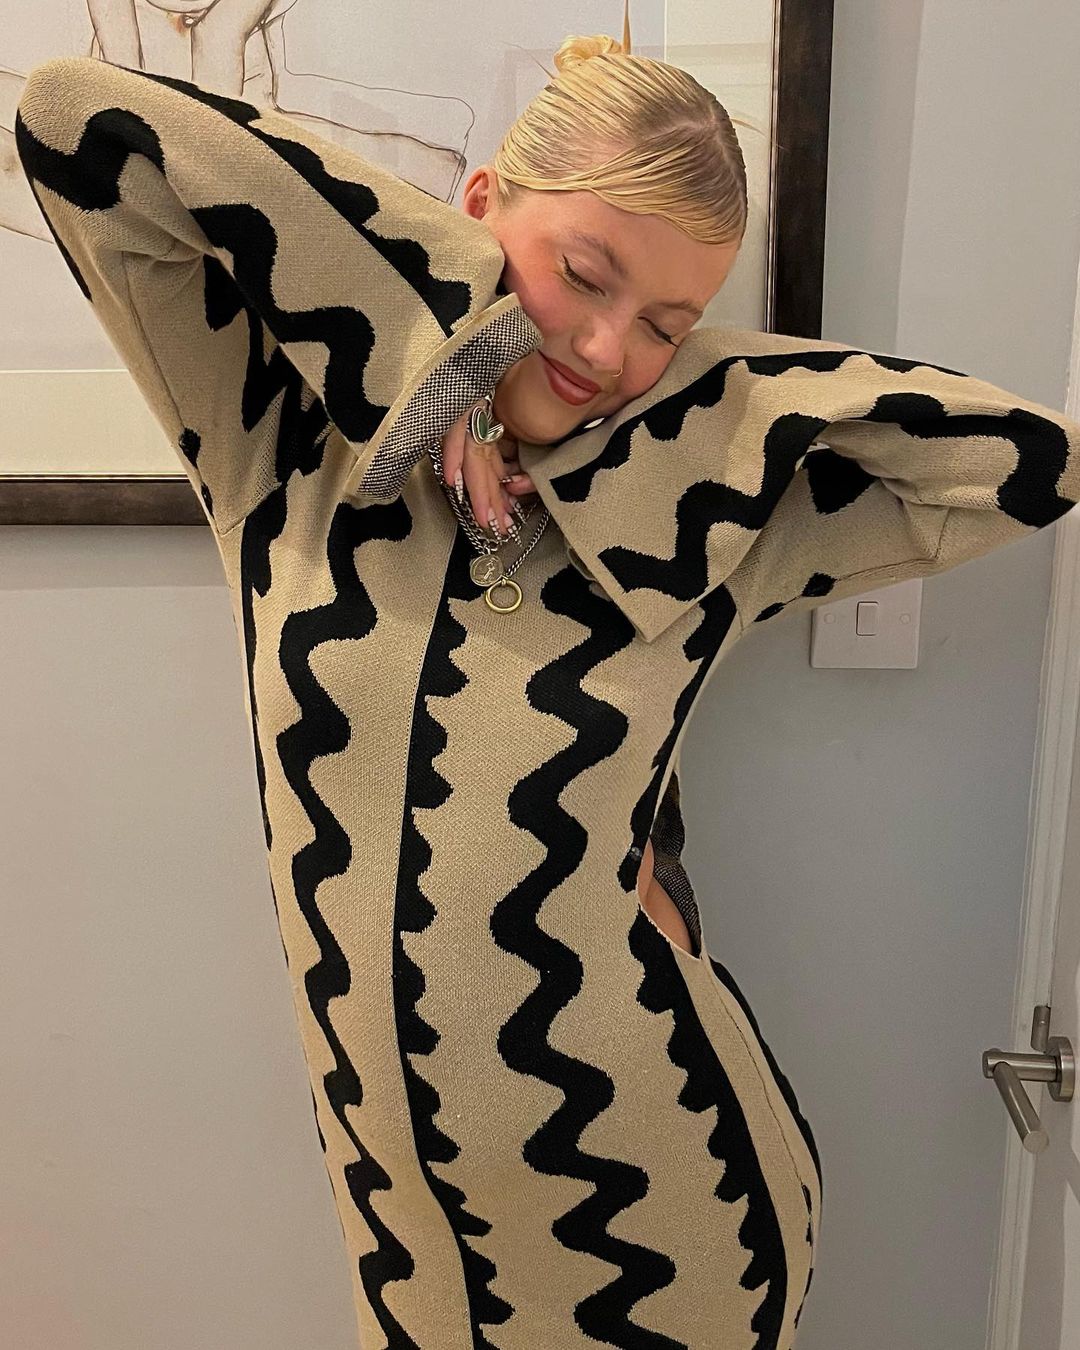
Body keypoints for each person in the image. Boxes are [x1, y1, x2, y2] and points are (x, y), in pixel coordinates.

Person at [13, 10, 1080, 1346]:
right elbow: (72, 121)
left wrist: (684, 400)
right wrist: (450, 354)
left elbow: (1023, 465)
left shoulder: (704, 519)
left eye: (667, 325)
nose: (608, 350)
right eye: (583, 274)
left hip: (673, 1207)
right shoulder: (283, 450)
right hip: (408, 1238)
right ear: (478, 214)